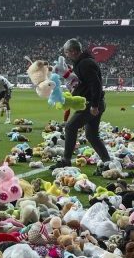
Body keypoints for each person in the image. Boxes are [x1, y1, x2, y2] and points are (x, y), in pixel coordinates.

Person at [49, 39, 117, 174]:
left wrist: (95, 105)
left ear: (73, 51)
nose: (66, 54)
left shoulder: (85, 64)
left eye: (67, 52)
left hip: (90, 104)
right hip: (92, 103)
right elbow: (84, 83)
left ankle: (66, 160)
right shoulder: (83, 62)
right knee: (92, 135)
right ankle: (107, 162)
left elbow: (95, 84)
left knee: (70, 127)